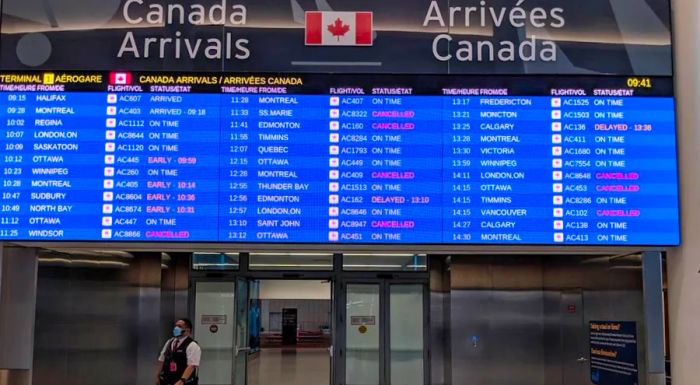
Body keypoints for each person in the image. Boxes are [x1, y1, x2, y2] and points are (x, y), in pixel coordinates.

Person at [156, 318, 201, 385]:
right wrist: (157, 375)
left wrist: (182, 381)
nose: (176, 328)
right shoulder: (169, 342)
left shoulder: (192, 345)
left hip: (183, 382)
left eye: (179, 326)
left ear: (188, 330)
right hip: (167, 380)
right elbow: (161, 359)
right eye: (176, 326)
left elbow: (191, 365)